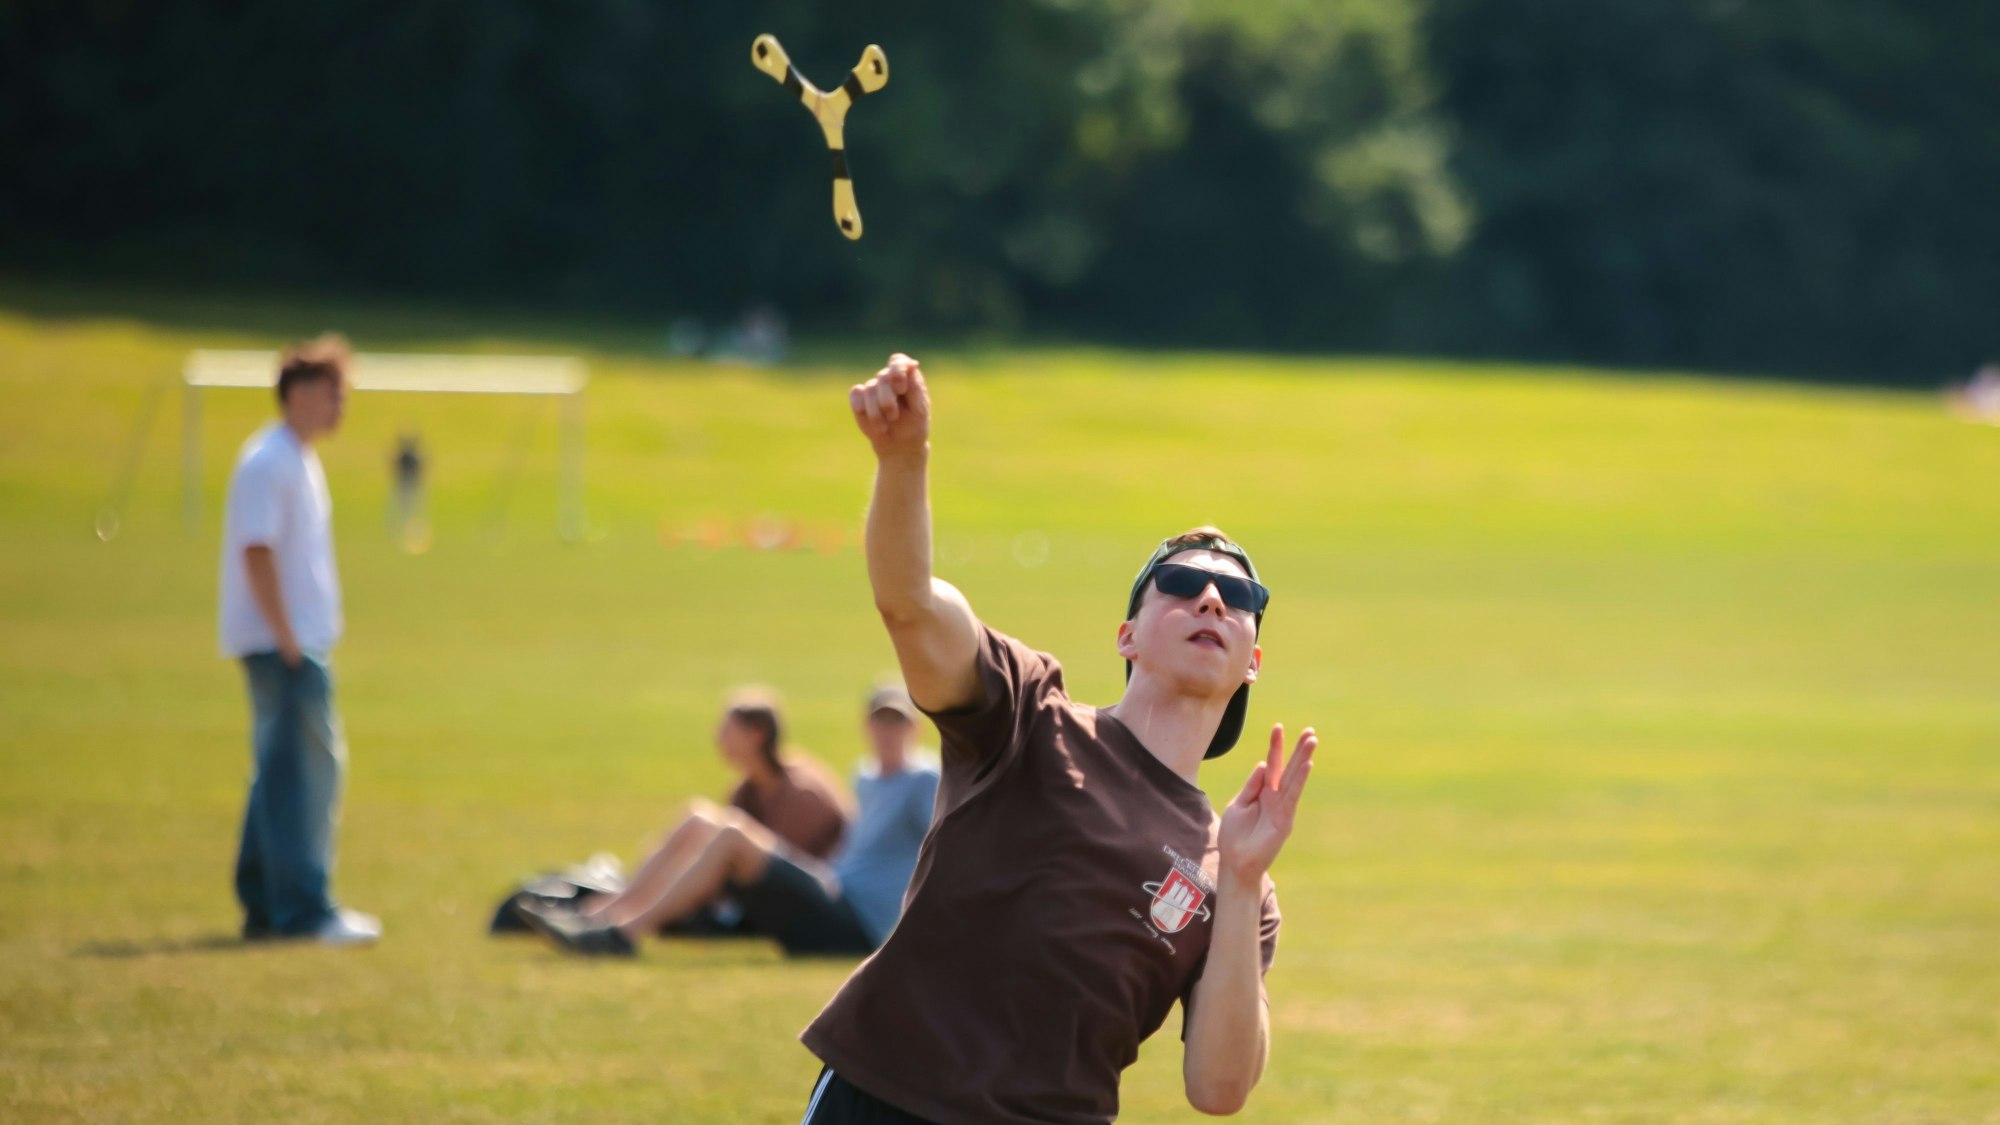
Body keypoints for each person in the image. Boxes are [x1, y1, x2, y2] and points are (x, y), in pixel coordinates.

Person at [795, 353, 1318, 1123]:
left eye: (1237, 595)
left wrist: (1239, 882)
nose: (1209, 596)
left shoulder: (1235, 872)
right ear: (1127, 635)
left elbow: (1219, 1088)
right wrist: (905, 460)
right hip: (887, 1100)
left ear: (1254, 662)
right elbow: (908, 604)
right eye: (1178, 582)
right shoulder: (1028, 712)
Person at [526, 685, 941, 958]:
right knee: (700, 817)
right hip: (833, 892)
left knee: (730, 834)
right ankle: (602, 917)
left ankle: (622, 937)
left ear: (916, 727)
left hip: (856, 925)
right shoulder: (865, 774)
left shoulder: (925, 780)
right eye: (881, 721)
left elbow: (949, 849)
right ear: (866, 725)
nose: (889, 732)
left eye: (898, 722)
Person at [219, 335, 379, 946]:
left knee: (278, 772)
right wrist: (288, 640)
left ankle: (265, 900)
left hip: (293, 641)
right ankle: (303, 910)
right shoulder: (269, 461)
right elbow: (255, 551)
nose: (341, 407)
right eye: (333, 394)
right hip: (283, 645)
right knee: (304, 776)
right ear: (300, 393)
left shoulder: (297, 458)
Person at [549, 689, 850, 937]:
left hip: (812, 906)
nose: (719, 740)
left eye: (728, 731)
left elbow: (779, 869)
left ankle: (623, 928)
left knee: (716, 831)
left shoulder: (802, 793)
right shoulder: (746, 789)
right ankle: (606, 912)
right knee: (698, 817)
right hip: (762, 896)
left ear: (757, 735)